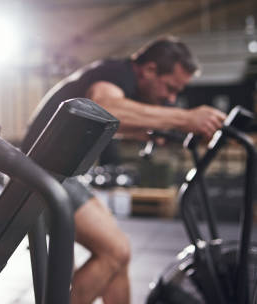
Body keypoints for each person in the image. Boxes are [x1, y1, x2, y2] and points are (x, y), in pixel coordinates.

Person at [21, 36, 226, 304]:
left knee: (119, 258)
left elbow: (108, 120)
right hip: (41, 174)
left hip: (60, 174)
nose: (170, 98)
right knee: (115, 251)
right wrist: (186, 117)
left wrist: (156, 130)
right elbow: (104, 107)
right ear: (149, 69)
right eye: (169, 88)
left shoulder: (124, 81)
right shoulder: (115, 72)